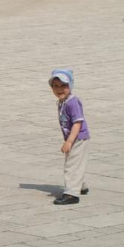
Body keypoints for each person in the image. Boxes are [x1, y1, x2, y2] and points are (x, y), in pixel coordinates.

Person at [48, 69, 90, 205]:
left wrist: (69, 141)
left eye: (63, 86)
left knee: (71, 165)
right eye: (56, 86)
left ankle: (72, 193)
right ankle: (81, 186)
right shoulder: (62, 102)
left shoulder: (73, 102)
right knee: (75, 162)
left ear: (70, 86)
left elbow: (78, 122)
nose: (59, 89)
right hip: (73, 138)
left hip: (78, 137)